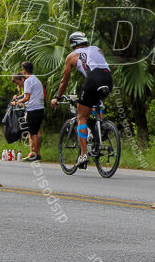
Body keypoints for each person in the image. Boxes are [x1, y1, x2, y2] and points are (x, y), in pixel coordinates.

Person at [50, 31, 113, 169]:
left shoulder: (72, 56)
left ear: (73, 43)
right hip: (108, 78)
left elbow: (64, 82)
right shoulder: (97, 49)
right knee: (95, 102)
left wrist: (57, 97)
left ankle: (83, 154)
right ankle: (102, 125)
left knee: (81, 116)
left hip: (93, 79)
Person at [11, 61, 45, 161]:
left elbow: (27, 98)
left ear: (24, 70)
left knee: (32, 133)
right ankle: (37, 154)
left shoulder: (28, 81)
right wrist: (18, 98)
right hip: (40, 109)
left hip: (33, 110)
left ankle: (32, 154)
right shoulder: (36, 79)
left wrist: (17, 103)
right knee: (36, 131)